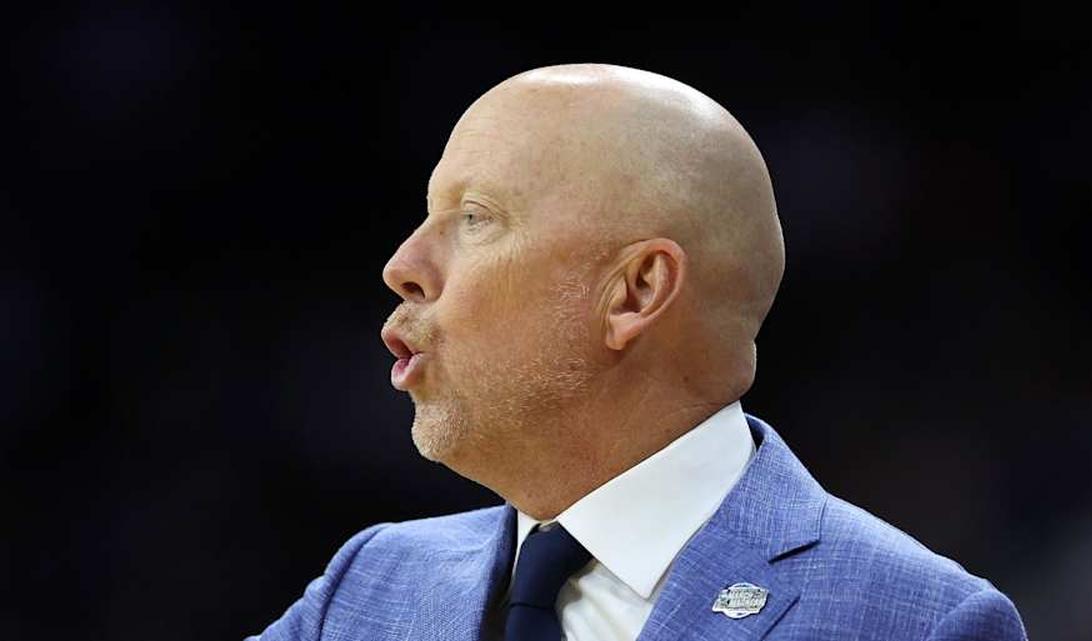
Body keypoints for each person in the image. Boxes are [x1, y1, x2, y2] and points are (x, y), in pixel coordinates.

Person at [248, 63, 1028, 641]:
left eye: (474, 218)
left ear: (635, 291)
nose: (403, 264)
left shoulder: (918, 624)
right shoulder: (369, 587)